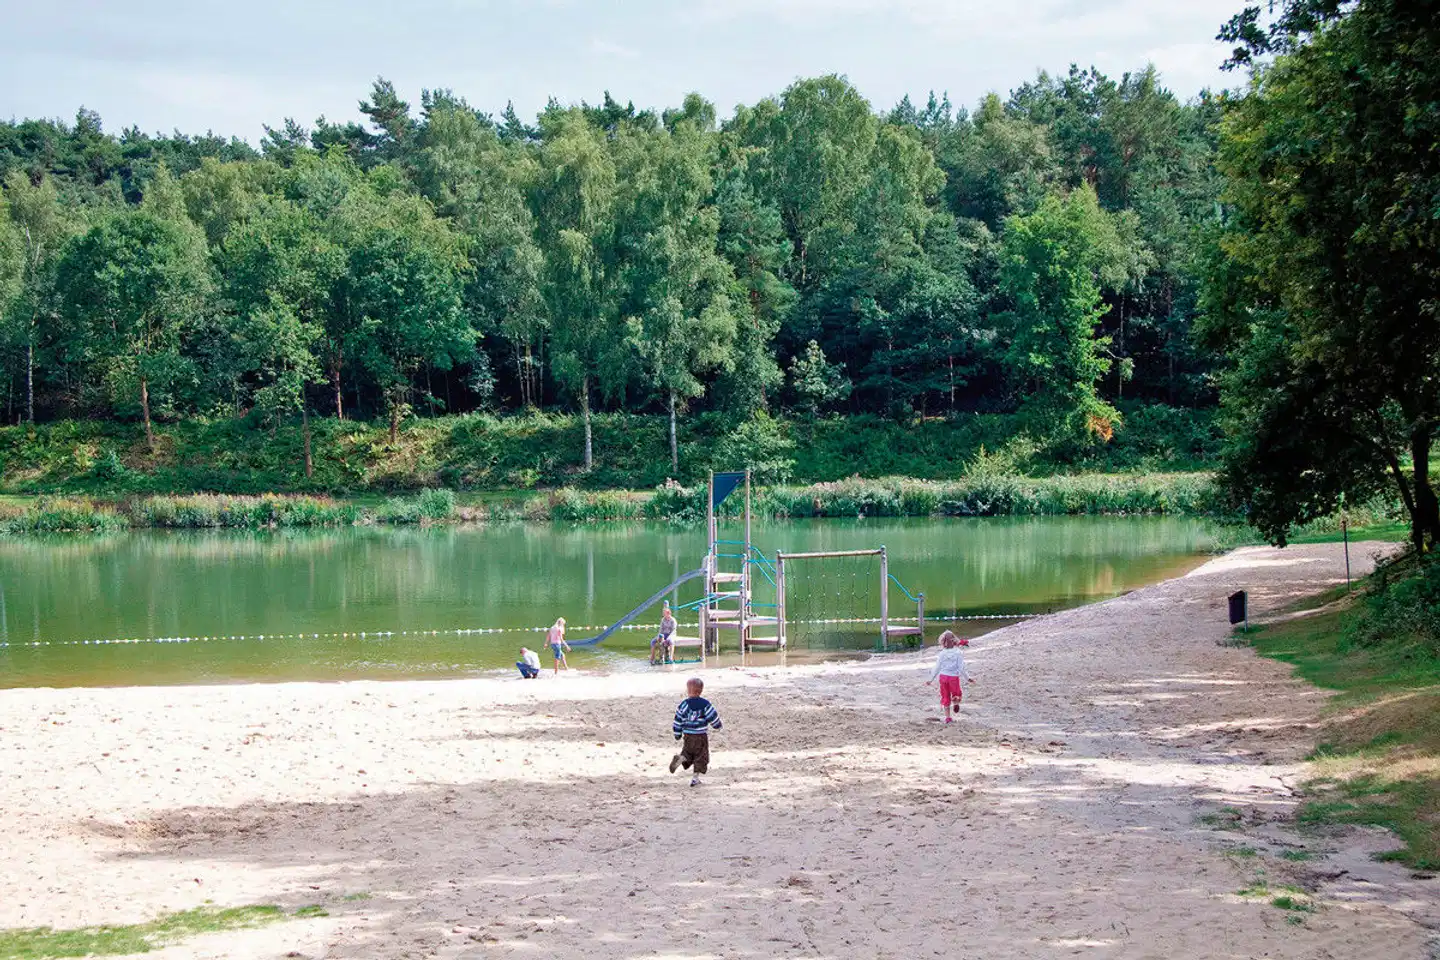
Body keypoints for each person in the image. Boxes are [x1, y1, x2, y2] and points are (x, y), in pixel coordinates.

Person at [669, 677, 723, 787]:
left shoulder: (683, 705)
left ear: (688, 690)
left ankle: (680, 759)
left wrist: (677, 734)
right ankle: (695, 779)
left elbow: (677, 720)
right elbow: (713, 716)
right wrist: (717, 725)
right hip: (700, 736)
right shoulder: (705, 704)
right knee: (701, 757)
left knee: (688, 753)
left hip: (688, 736)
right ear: (701, 691)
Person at [926, 630, 974, 723]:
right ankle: (956, 701)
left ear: (943, 642)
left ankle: (948, 718)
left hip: (943, 677)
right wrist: (968, 678)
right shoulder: (958, 652)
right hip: (953, 678)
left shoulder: (942, 654)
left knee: (945, 696)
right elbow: (961, 668)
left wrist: (930, 679)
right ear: (954, 640)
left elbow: (937, 667)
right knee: (957, 693)